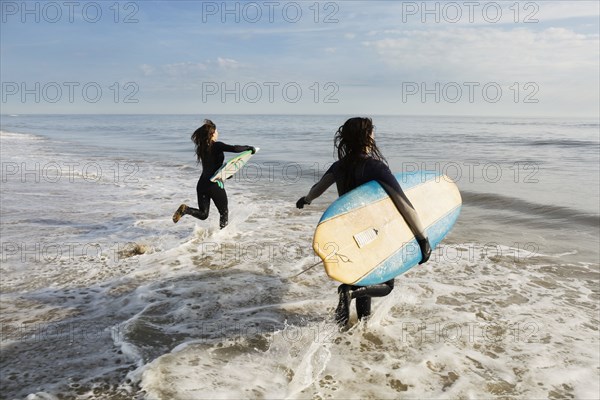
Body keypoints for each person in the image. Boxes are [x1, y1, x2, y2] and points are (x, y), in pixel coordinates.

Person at [295, 117, 431, 326]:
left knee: (361, 275)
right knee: (386, 285)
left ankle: (357, 328)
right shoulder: (376, 167)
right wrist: (422, 239)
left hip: (348, 232)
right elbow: (404, 204)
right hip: (375, 232)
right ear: (367, 136)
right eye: (372, 131)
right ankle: (348, 293)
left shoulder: (339, 166)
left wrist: (306, 200)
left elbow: (319, 188)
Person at [173, 119, 255, 229]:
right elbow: (235, 148)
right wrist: (249, 148)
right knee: (224, 212)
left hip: (202, 184)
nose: (218, 133)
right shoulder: (216, 146)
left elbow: (213, 166)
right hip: (214, 185)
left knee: (203, 214)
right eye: (216, 131)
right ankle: (221, 236)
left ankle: (186, 210)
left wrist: (226, 173)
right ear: (212, 133)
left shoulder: (201, 148)